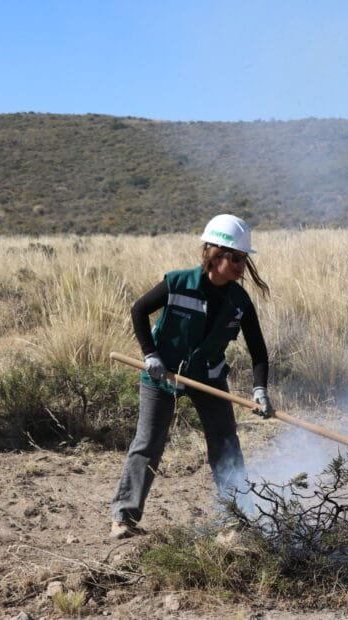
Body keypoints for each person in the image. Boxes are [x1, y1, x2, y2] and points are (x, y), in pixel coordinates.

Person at [110, 214, 273, 539]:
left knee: (226, 445)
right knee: (148, 444)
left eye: (244, 259)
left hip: (209, 379)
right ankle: (123, 519)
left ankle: (236, 519)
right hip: (162, 375)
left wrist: (259, 390)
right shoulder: (178, 283)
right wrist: (151, 354)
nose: (243, 266)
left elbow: (259, 352)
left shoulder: (240, 302)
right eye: (237, 258)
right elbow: (139, 310)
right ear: (215, 254)